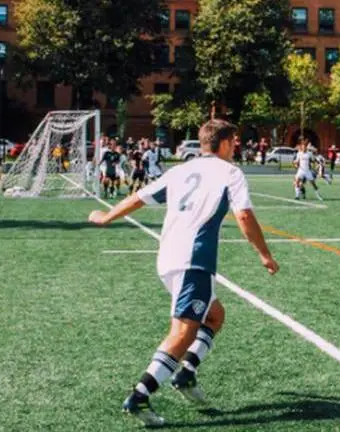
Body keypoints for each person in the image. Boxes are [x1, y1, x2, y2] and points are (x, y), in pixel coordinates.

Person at [88, 119, 279, 427]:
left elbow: (139, 197)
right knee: (182, 332)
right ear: (224, 143)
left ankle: (186, 374)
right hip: (193, 260)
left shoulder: (180, 170)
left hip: (168, 257)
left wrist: (107, 216)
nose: (236, 147)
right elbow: (243, 215)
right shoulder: (230, 172)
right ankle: (139, 396)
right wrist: (264, 254)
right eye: (234, 141)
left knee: (214, 316)